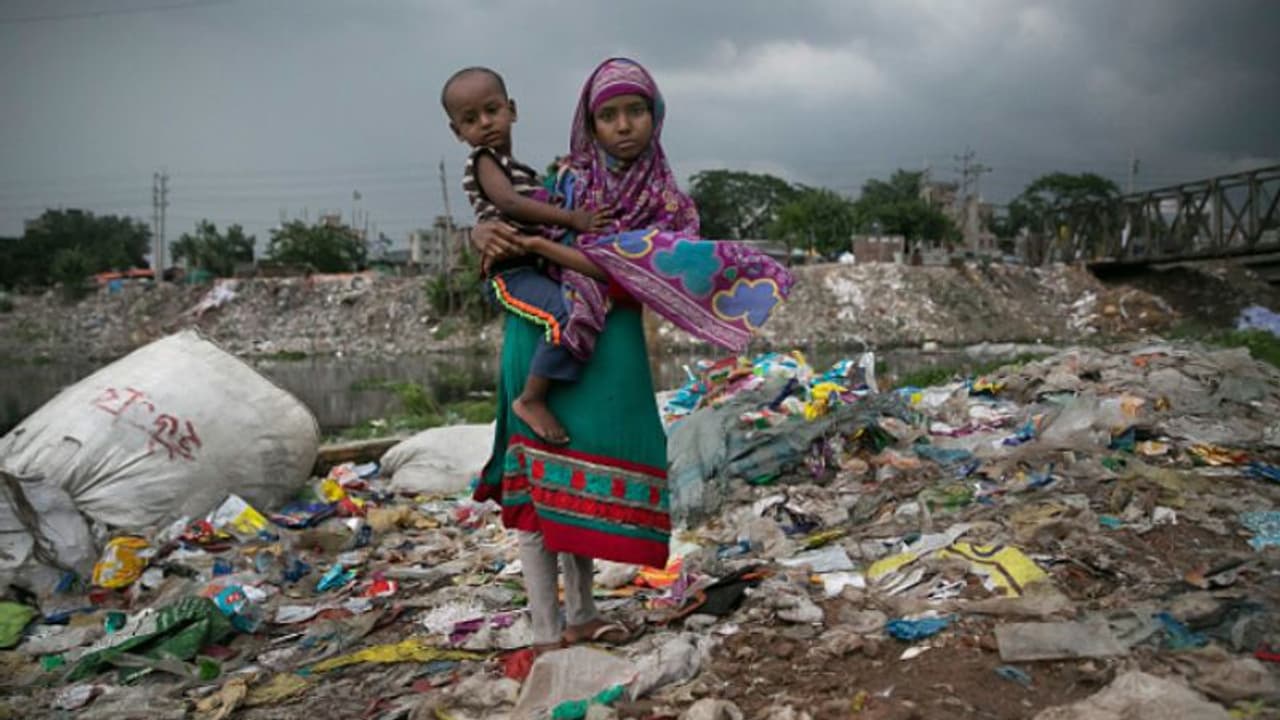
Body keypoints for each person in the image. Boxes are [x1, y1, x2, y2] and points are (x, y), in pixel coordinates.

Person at [471, 58, 794, 654]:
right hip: (539, 334)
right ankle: (546, 631)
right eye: (608, 115)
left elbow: (625, 271)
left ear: (657, 116)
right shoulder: (565, 183)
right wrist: (481, 235)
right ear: (589, 125)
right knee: (541, 490)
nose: (623, 126)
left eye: (636, 111)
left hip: (608, 346)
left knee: (586, 479)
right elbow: (503, 217)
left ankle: (585, 613)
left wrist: (546, 244)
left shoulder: (671, 206)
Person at [441, 66, 612, 445]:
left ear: (512, 110)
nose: (485, 124)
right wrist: (573, 218)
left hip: (530, 267)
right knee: (565, 312)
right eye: (470, 119)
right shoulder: (485, 160)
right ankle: (531, 399)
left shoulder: (522, 170)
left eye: (492, 110)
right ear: (458, 132)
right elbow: (509, 203)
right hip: (510, 271)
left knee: (577, 307)